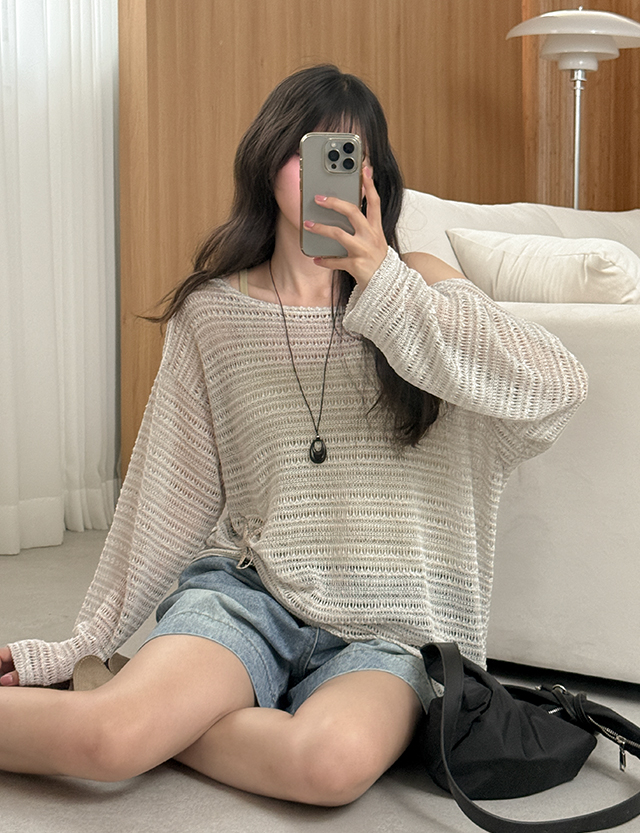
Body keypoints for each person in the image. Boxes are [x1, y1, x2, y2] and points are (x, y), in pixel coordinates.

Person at [0, 65, 588, 806]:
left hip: (391, 632)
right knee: (108, 743)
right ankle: (141, 710)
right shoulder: (212, 314)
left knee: (328, 767)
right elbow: (165, 498)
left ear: (373, 176)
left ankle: (161, 712)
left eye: (348, 154)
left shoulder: (420, 281)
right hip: (251, 597)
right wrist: (80, 644)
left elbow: (554, 388)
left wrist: (383, 280)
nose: (325, 172)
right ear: (269, 156)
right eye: (310, 149)